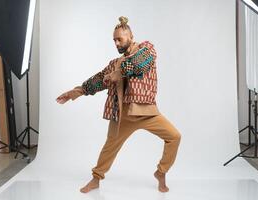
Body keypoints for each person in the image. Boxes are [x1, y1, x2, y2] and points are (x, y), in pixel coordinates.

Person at [56, 16, 181, 193]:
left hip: (147, 112)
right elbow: (99, 80)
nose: (116, 43)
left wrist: (119, 73)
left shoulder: (147, 48)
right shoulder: (114, 63)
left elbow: (140, 64)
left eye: (119, 39)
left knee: (174, 137)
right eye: (114, 40)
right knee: (109, 148)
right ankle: (96, 179)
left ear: (130, 36)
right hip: (122, 115)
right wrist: (75, 92)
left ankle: (161, 172)